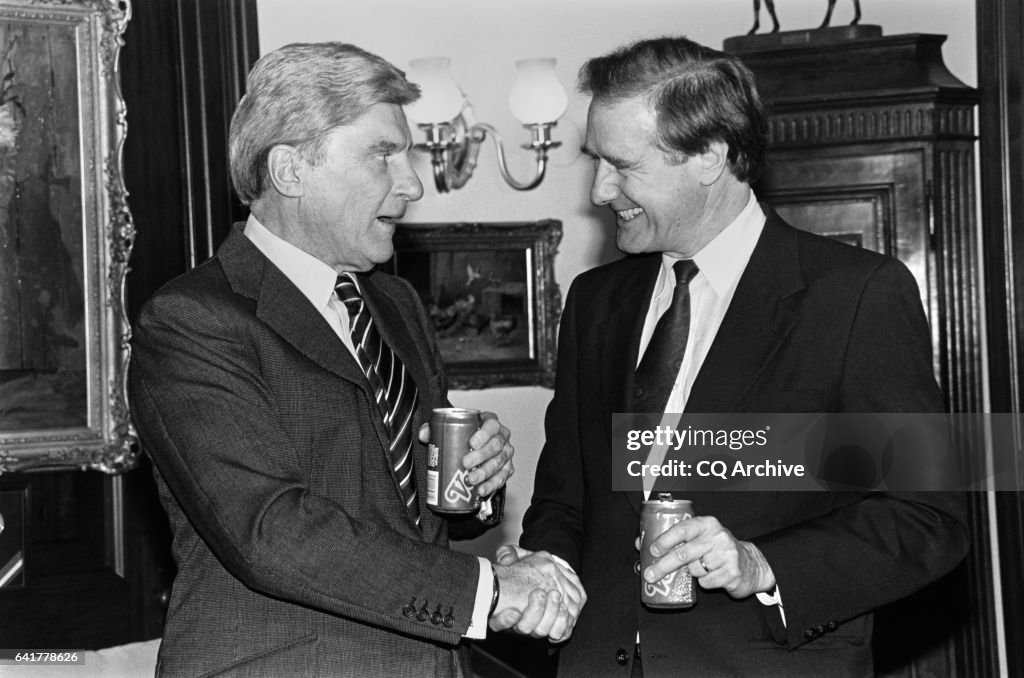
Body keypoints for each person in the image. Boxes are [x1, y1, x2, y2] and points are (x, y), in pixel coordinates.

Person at [505, 36, 968, 677]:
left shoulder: (856, 295)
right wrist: (544, 566)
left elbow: (927, 518)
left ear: (711, 157)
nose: (600, 190)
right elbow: (565, 499)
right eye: (594, 161)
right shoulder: (593, 301)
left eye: (622, 165)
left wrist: (761, 564)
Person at [129, 41, 583, 678]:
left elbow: (423, 506)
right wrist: (488, 594)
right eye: (383, 155)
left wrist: (477, 481)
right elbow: (273, 533)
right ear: (290, 170)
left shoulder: (395, 303)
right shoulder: (193, 322)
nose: (412, 183)